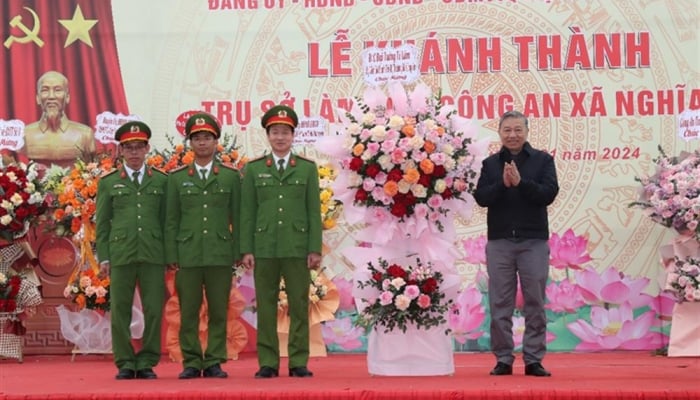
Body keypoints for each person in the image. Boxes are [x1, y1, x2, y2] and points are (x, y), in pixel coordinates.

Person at [473, 110, 559, 377]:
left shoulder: (543, 160)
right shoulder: (489, 164)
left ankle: (533, 359)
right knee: (500, 304)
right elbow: (482, 197)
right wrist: (503, 183)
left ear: (527, 131)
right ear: (499, 133)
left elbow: (548, 194)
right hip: (499, 242)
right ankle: (503, 359)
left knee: (535, 302)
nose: (513, 135)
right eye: (507, 130)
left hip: (533, 241)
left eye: (518, 129)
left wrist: (522, 184)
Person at [240, 104, 322, 379]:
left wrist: (314, 248)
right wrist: (246, 249)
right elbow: (247, 213)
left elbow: (313, 211)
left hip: (297, 247)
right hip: (264, 248)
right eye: (275, 132)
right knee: (265, 305)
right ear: (268, 135)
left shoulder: (307, 169)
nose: (280, 137)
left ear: (293, 135)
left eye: (285, 132)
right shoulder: (253, 169)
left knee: (299, 304)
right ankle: (267, 362)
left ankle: (298, 361)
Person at [164, 112, 240, 379]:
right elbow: (171, 220)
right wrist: (172, 254)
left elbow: (238, 218)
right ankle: (192, 361)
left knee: (220, 309)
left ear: (216, 141)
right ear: (190, 143)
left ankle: (214, 360)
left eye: (207, 137)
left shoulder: (231, 177)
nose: (202, 143)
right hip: (188, 254)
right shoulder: (176, 178)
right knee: (188, 310)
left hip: (220, 253)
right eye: (197, 138)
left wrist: (239, 252)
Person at [95, 121, 168, 380]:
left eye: (139, 147)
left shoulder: (161, 180)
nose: (134, 153)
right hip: (121, 254)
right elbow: (102, 224)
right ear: (121, 151)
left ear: (147, 148)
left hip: (153, 254)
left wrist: (169, 255)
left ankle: (147, 360)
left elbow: (167, 221)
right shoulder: (109, 182)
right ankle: (125, 361)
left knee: (154, 309)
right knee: (120, 311)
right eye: (129, 148)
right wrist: (103, 255)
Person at [19, 70, 95, 168]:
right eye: (45, 90)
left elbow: (91, 169)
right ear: (38, 98)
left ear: (67, 97)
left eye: (58, 90)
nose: (51, 96)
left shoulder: (85, 134)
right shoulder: (24, 134)